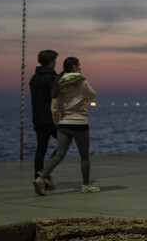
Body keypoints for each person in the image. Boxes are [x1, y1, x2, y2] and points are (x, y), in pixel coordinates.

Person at [33, 57, 98, 196]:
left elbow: (54, 108)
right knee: (84, 157)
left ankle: (41, 178)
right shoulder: (81, 82)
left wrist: (58, 123)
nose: (80, 67)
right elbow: (92, 95)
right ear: (74, 67)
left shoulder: (58, 82)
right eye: (79, 65)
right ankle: (85, 185)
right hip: (80, 123)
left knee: (59, 155)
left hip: (64, 123)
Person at [29, 49, 59, 187]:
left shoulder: (34, 79)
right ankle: (46, 172)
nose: (56, 63)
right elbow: (56, 97)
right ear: (50, 62)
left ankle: (38, 176)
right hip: (50, 118)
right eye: (54, 61)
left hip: (37, 118)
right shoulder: (51, 78)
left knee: (41, 147)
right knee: (64, 142)